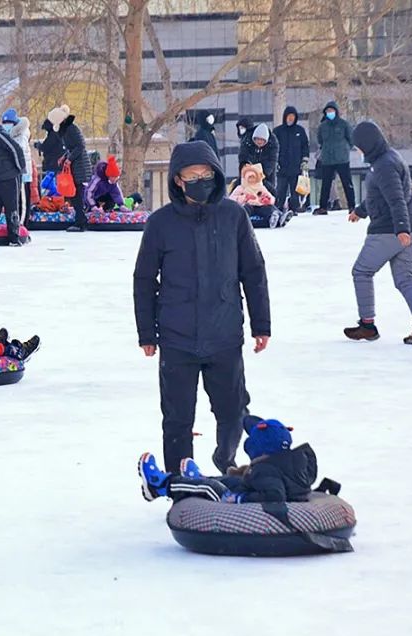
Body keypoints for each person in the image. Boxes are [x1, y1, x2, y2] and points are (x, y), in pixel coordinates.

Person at [133, 140, 271, 474]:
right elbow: (144, 279)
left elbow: (253, 271)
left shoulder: (233, 216)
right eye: (192, 174)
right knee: (178, 419)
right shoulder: (161, 223)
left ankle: (225, 459)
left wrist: (261, 324)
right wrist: (146, 332)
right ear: (178, 180)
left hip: (224, 333)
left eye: (206, 173)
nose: (200, 179)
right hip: (177, 337)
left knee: (232, 410)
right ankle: (182, 483)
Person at [345, 121, 412, 345]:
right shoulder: (386, 159)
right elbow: (380, 196)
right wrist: (360, 211)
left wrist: (402, 229)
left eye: (358, 146)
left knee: (362, 271)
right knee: (404, 278)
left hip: (390, 230)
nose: (357, 150)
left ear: (367, 143)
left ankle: (367, 325)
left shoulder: (384, 165)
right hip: (410, 228)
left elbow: (396, 199)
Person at [137, 415, 322, 506]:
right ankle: (197, 479)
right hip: (262, 487)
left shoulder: (266, 471)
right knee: (232, 480)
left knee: (212, 488)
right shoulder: (293, 461)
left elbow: (274, 495)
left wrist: (241, 498)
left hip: (249, 503)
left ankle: (158, 485)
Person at [48, 105, 90, 231]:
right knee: (74, 193)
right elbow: (72, 147)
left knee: (76, 193)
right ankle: (80, 220)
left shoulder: (71, 129)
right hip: (75, 164)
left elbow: (80, 146)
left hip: (79, 165)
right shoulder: (67, 129)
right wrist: (65, 156)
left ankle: (80, 222)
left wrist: (69, 159)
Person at [314, 101, 355, 214]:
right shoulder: (322, 126)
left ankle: (352, 206)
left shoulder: (344, 124)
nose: (330, 113)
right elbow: (320, 140)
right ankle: (323, 207)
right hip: (327, 159)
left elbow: (351, 139)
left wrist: (344, 149)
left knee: (347, 183)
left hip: (342, 159)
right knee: (325, 184)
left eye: (331, 111)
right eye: (327, 111)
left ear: (336, 112)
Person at [274, 106, 310, 213]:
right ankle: (278, 208)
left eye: (293, 116)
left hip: (296, 166)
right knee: (281, 190)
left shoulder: (300, 131)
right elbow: (273, 148)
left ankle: (294, 208)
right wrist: (275, 162)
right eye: (289, 116)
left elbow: (305, 146)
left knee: (295, 191)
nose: (290, 118)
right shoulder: (278, 131)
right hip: (282, 167)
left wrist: (304, 160)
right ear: (285, 117)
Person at [229, 163, 284, 228]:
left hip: (259, 205)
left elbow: (270, 196)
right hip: (248, 205)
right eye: (250, 177)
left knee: (269, 208)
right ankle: (242, 220)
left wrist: (267, 200)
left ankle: (277, 216)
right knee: (245, 209)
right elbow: (231, 199)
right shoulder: (241, 188)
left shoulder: (261, 187)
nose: (252, 179)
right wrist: (244, 198)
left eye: (253, 177)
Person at [3, 109, 34, 219]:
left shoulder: (21, 135)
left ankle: (22, 223)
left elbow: (17, 152)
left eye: (9, 123)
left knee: (23, 199)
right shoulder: (9, 135)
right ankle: (16, 222)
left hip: (22, 171)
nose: (6, 125)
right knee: (16, 199)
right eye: (4, 123)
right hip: (13, 171)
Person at [239, 123, 280, 195]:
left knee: (268, 193)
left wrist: (263, 174)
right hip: (249, 173)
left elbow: (272, 161)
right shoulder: (247, 141)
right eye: (257, 139)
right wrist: (246, 167)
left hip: (266, 175)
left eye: (262, 140)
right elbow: (243, 156)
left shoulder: (273, 144)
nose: (259, 142)